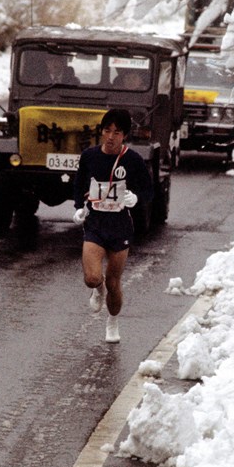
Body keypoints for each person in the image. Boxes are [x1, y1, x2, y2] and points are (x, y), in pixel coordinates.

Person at [72, 109, 153, 343]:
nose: (110, 137)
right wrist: (79, 207)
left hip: (120, 227)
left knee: (114, 281)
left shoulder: (133, 160)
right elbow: (79, 185)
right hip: (96, 224)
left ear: (124, 135)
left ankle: (113, 321)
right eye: (107, 131)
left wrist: (135, 198)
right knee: (92, 277)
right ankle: (97, 290)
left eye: (116, 132)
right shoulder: (89, 156)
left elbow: (148, 191)